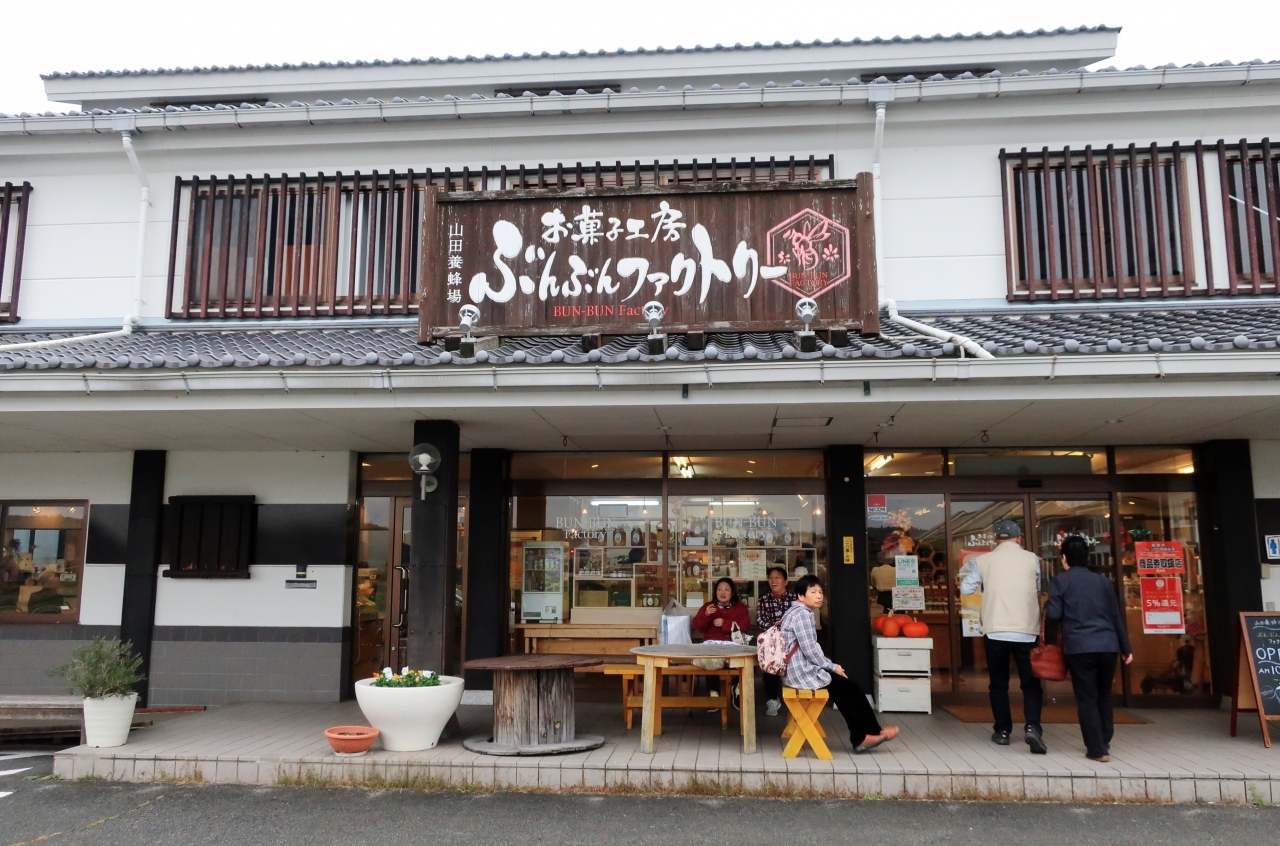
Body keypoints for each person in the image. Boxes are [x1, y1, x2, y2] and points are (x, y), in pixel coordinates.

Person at [782, 574, 898, 753]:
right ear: (801, 596)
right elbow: (810, 650)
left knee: (847, 688)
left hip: (798, 670)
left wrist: (829, 666)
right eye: (813, 592)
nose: (819, 596)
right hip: (802, 672)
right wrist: (832, 666)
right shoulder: (802, 614)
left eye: (820, 592)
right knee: (849, 688)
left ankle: (871, 732)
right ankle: (863, 736)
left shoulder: (794, 611)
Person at [960, 520, 1047, 754]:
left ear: (996, 539)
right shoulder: (1032, 559)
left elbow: (966, 588)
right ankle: (1032, 727)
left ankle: (1003, 731)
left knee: (998, 684)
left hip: (995, 629)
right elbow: (1037, 586)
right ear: (1019, 539)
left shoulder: (983, 560)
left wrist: (983, 581)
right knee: (1030, 684)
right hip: (1026, 630)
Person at [1045, 535, 1133, 762]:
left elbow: (1053, 614)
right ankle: (1104, 738)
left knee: (1087, 698)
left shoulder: (1061, 581)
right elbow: (1115, 616)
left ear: (1065, 558)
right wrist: (1126, 648)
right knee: (1104, 694)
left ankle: (1097, 749)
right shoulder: (1103, 582)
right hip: (1108, 646)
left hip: (1080, 647)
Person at [755, 566, 798, 717]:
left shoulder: (795, 599)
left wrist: (785, 630)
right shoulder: (764, 599)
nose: (773, 580)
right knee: (771, 661)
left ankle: (798, 700)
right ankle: (772, 699)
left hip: (791, 641)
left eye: (777, 577)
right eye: (771, 577)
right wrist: (776, 629)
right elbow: (760, 619)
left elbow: (799, 618)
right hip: (772, 641)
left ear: (786, 581)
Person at [693, 577, 750, 643]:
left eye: (726, 590)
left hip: (733, 642)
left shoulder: (740, 608)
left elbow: (744, 626)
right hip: (712, 642)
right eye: (719, 589)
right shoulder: (708, 606)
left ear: (732, 593)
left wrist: (724, 623)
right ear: (716, 592)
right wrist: (706, 614)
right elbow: (698, 627)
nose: (722, 592)